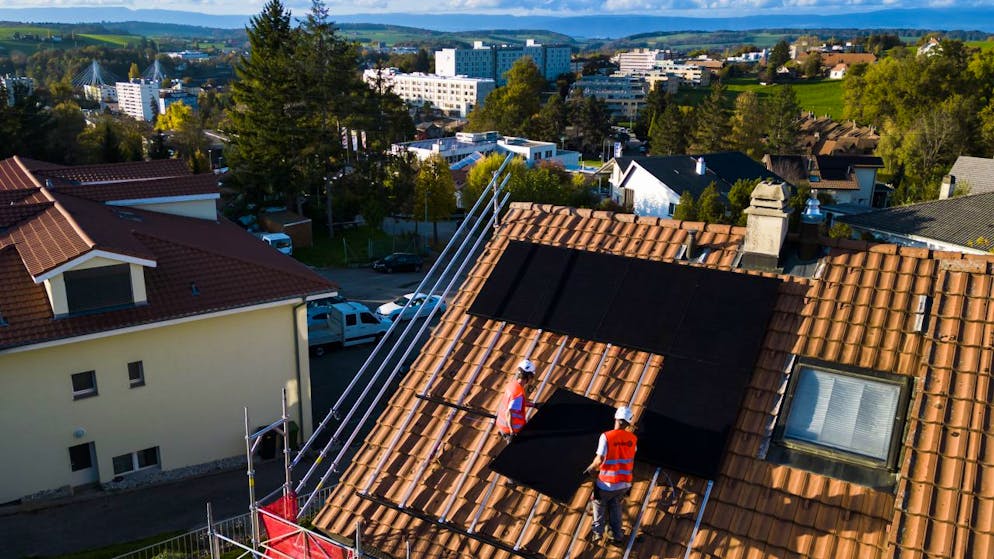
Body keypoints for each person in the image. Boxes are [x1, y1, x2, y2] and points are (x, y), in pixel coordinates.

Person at [584, 405, 638, 546]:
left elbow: (599, 460)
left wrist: (589, 469)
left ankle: (597, 533)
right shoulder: (633, 439)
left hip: (606, 483)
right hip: (624, 484)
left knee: (598, 505)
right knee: (615, 506)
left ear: (616, 418)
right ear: (628, 423)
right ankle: (617, 535)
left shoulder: (606, 437)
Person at [496, 358, 536, 442]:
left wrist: (534, 405)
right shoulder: (518, 393)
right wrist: (512, 432)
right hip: (511, 430)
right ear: (528, 376)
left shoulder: (512, 385)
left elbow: (516, 403)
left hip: (501, 426)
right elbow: (509, 412)